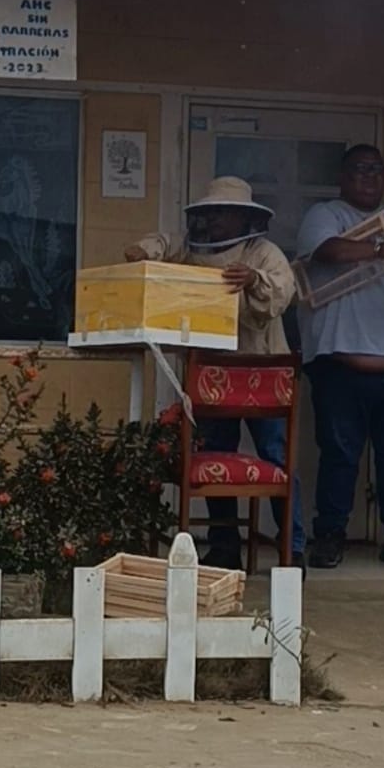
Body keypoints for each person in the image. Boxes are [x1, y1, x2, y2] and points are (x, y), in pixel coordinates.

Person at [125, 176, 305, 571]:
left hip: (262, 374)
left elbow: (282, 294)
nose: (218, 219)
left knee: (277, 458)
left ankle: (293, 549)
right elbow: (164, 243)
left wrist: (253, 279)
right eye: (214, 211)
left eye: (226, 212)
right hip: (211, 372)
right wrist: (143, 251)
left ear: (244, 217)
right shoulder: (193, 249)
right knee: (212, 458)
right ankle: (225, 548)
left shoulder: (264, 252)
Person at [295, 145, 384, 571]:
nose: (368, 176)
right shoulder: (326, 214)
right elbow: (326, 251)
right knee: (340, 455)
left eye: (376, 169)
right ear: (342, 175)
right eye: (359, 168)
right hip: (342, 365)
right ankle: (329, 536)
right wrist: (380, 250)